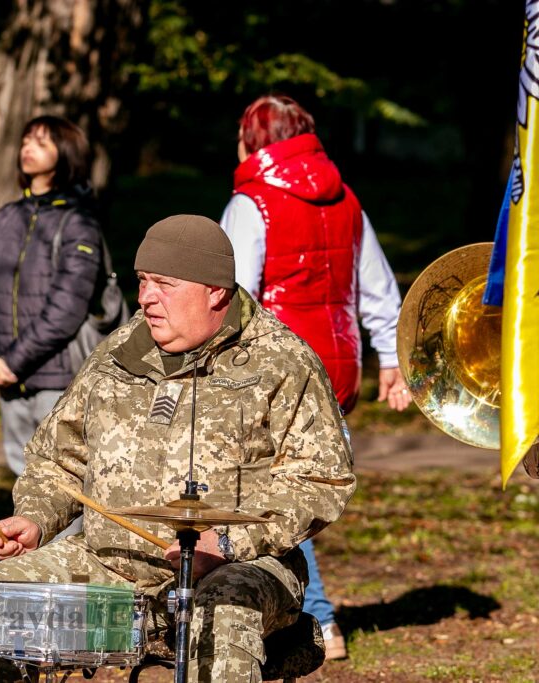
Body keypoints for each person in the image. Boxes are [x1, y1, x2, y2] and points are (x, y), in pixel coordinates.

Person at [0, 215, 356, 683]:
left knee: (221, 616)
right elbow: (59, 458)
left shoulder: (282, 360)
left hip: (240, 568)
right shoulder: (118, 354)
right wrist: (35, 518)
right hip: (112, 565)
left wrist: (228, 542)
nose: (147, 297)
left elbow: (320, 480)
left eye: (165, 284)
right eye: (143, 282)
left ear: (215, 292)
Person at [220, 93, 410, 660]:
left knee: (266, 502)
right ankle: (312, 622)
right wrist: (392, 363)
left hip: (270, 377)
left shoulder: (252, 203)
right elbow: (376, 287)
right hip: (337, 372)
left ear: (256, 139)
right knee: (292, 498)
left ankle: (316, 622)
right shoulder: (348, 200)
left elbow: (234, 294)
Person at [0, 115, 103, 479]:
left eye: (42, 143)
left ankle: (65, 542)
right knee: (23, 478)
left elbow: (67, 307)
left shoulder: (78, 221)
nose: (28, 148)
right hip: (9, 379)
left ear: (66, 153)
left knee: (63, 481)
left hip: (59, 377)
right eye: (27, 140)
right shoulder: (6, 217)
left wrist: (13, 361)